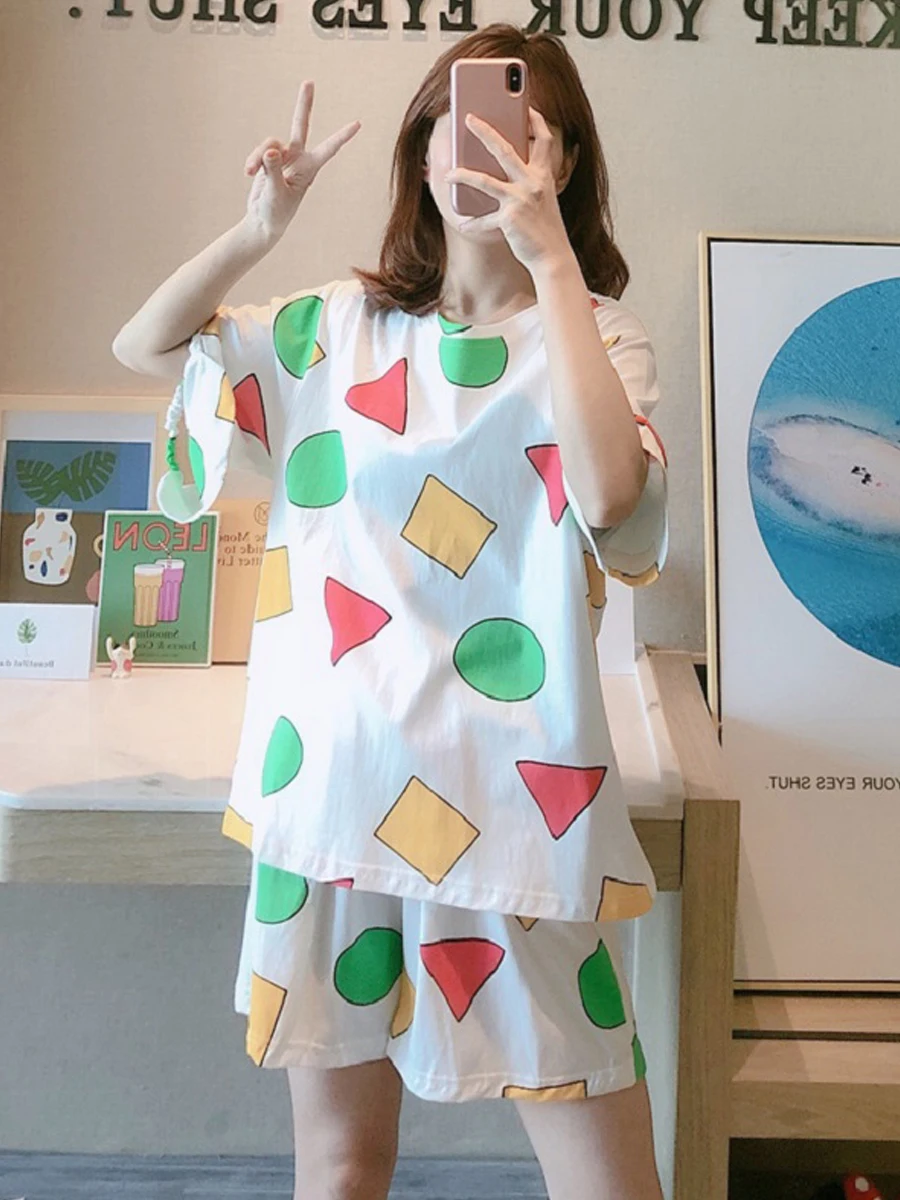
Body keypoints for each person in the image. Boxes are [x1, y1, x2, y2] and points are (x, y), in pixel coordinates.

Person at [113, 22, 669, 1200]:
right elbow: (146, 346)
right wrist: (258, 230)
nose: (484, 150)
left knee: (612, 1180)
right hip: (337, 786)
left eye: (520, 129)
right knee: (342, 1165)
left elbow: (614, 497)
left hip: (520, 801)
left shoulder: (598, 335)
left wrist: (553, 264)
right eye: (454, 128)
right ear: (420, 154)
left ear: (562, 161)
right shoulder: (333, 328)